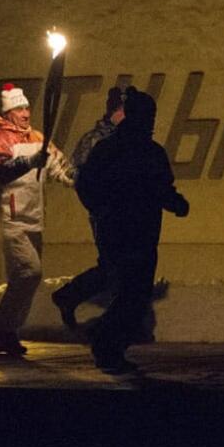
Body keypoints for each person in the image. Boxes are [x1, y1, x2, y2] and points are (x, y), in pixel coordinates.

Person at [75, 88, 189, 373]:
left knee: (132, 293)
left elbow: (87, 183)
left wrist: (100, 209)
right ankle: (105, 341)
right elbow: (160, 188)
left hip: (125, 231)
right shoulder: (144, 151)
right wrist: (176, 203)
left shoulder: (113, 148)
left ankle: (110, 344)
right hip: (134, 232)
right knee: (133, 293)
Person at [0, 82, 74, 356]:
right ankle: (3, 328)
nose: (25, 112)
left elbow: (59, 165)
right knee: (29, 272)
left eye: (27, 107)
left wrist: (77, 178)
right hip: (9, 218)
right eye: (19, 108)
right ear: (9, 111)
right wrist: (31, 161)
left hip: (33, 217)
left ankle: (7, 333)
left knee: (28, 278)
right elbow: (2, 171)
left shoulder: (37, 137)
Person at [51, 86, 126, 329]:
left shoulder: (129, 137)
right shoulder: (95, 140)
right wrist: (98, 206)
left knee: (120, 264)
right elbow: (79, 178)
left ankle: (69, 297)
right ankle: (115, 321)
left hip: (127, 211)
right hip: (106, 212)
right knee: (116, 264)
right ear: (115, 110)